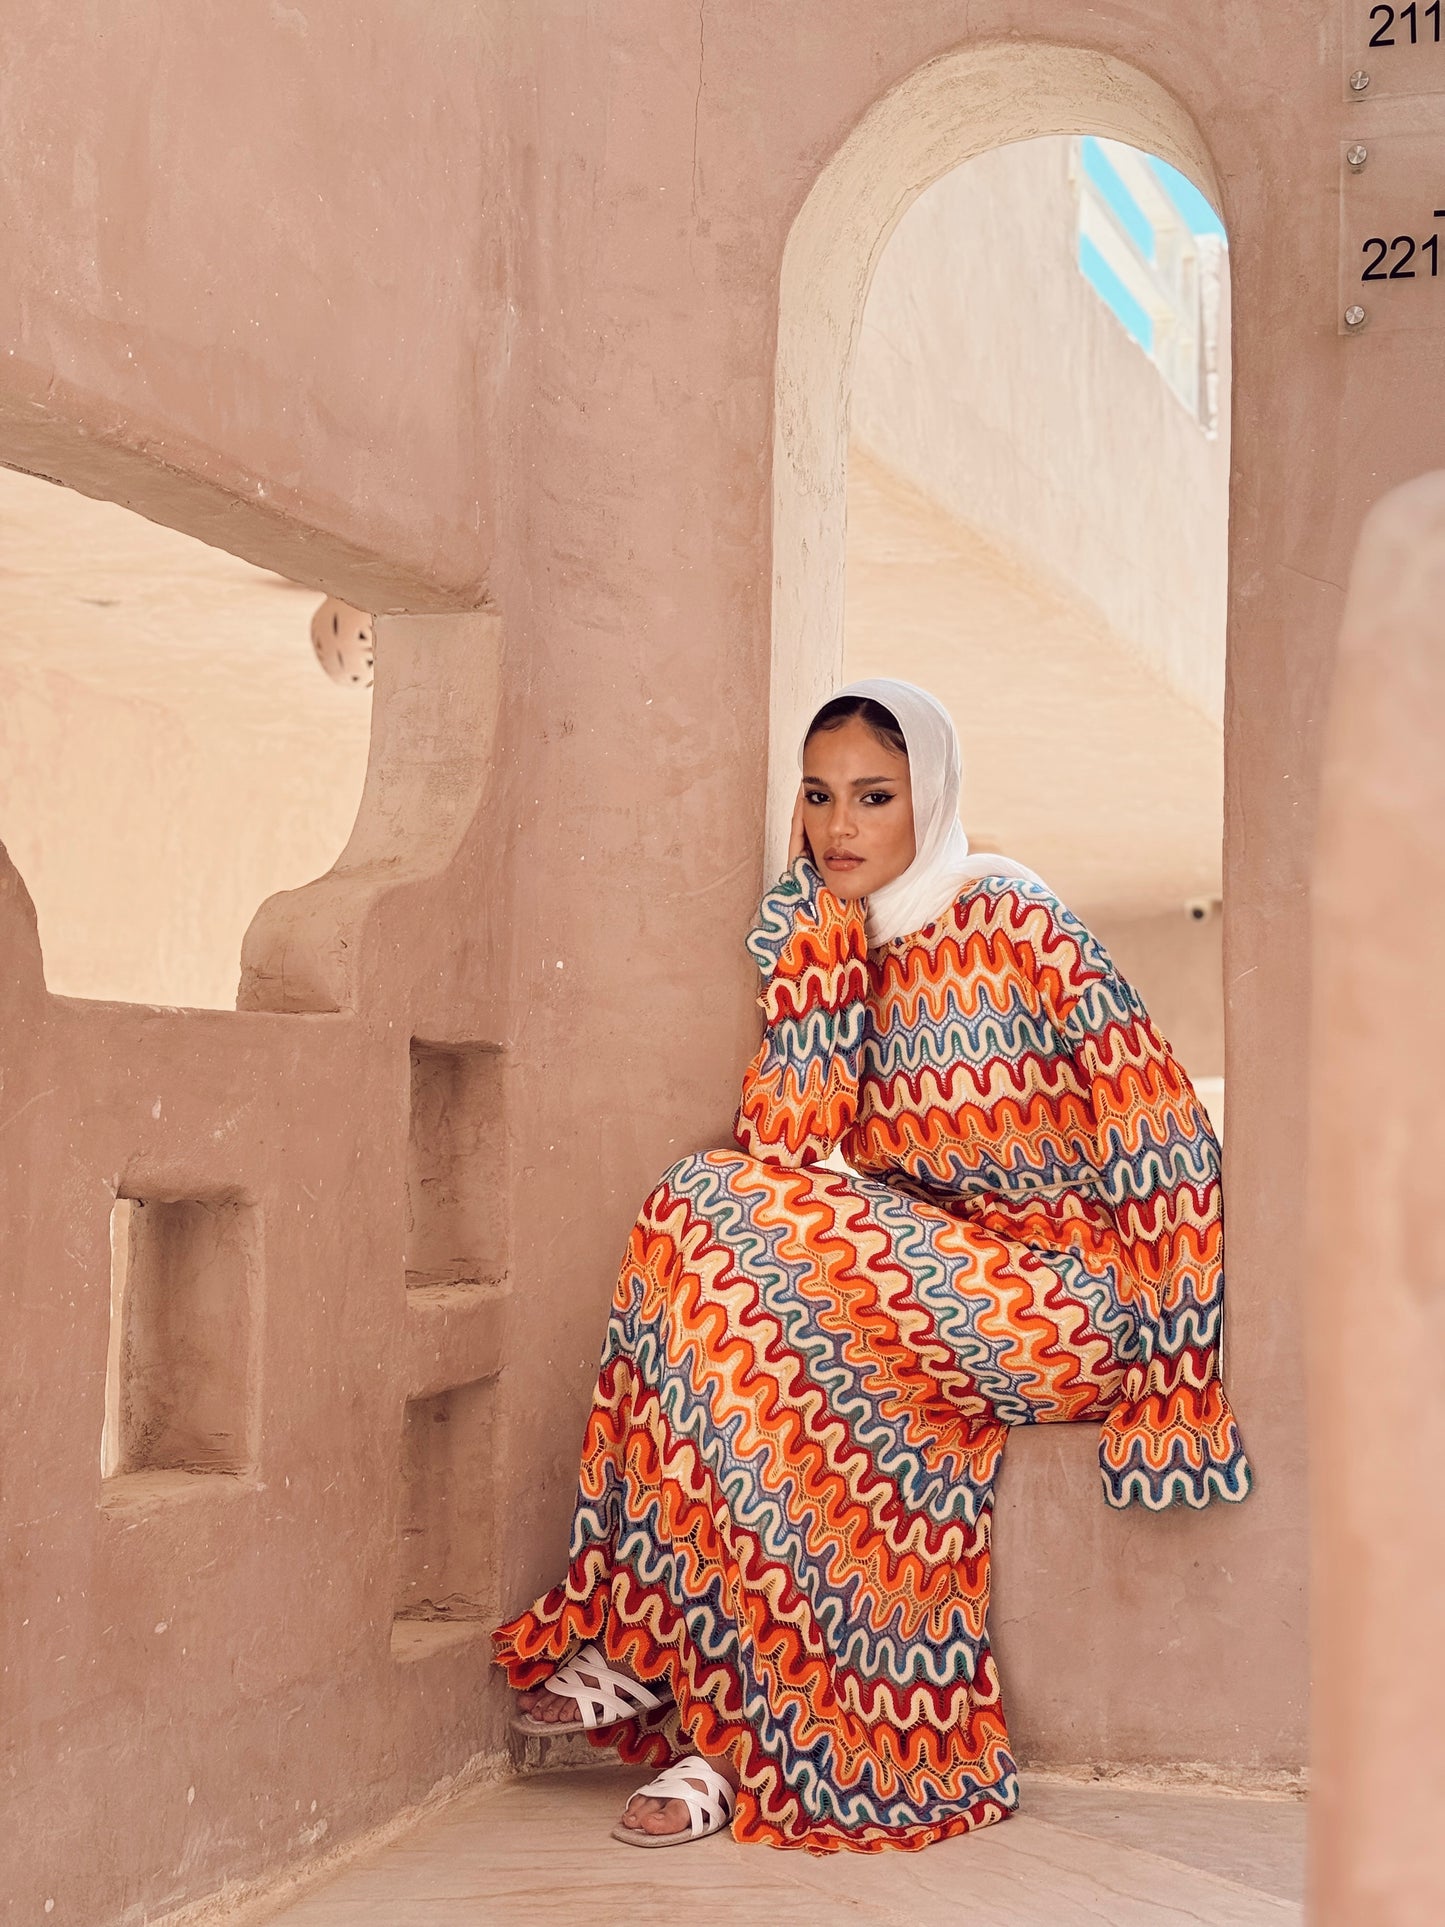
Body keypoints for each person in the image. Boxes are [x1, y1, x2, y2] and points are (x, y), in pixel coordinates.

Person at [493, 677, 1251, 1854]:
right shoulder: (822, 936)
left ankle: (657, 1653)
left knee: (725, 1228)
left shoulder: (1014, 920)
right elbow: (787, 1155)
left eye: (873, 796)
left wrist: (1176, 1379)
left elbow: (1164, 1134)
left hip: (1067, 1299)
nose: (838, 826)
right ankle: (715, 1707)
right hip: (916, 1286)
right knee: (702, 1222)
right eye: (817, 796)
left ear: (927, 798)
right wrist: (821, 976)